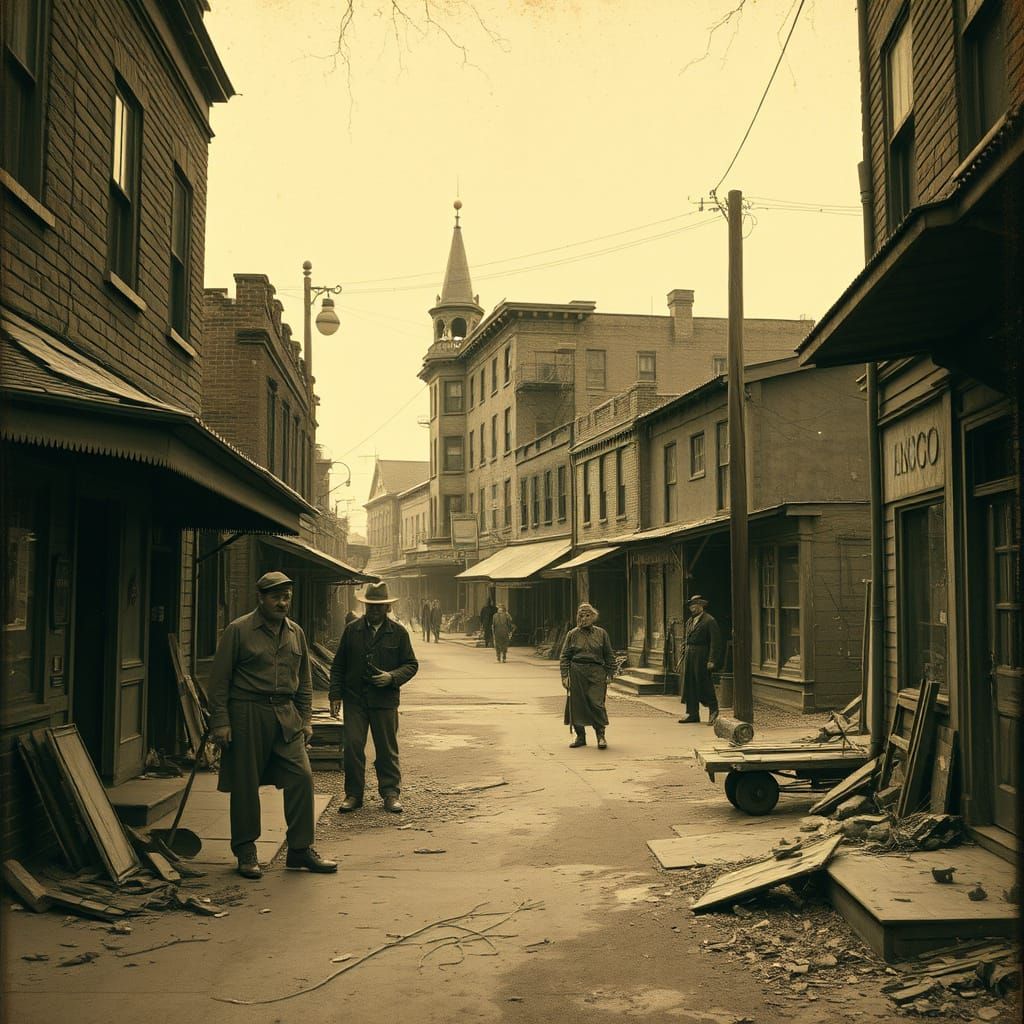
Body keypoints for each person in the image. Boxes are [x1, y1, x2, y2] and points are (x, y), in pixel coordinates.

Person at [207, 571, 337, 880]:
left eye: (287, 597)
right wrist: (221, 722)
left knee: (302, 777)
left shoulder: (296, 633)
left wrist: (305, 719)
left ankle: (300, 849)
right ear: (260, 598)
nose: (282, 603)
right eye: (276, 597)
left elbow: (304, 680)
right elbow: (219, 681)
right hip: (247, 713)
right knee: (245, 784)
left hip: (285, 714)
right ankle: (245, 850)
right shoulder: (238, 631)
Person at [329, 581, 419, 813]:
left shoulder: (398, 633)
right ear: (365, 607)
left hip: (384, 701)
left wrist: (391, 677)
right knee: (353, 747)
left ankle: (390, 794)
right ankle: (354, 795)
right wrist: (335, 695)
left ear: (387, 608)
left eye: (379, 607)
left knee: (386, 748)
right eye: (370, 606)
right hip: (355, 699)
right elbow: (338, 664)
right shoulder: (352, 630)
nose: (374, 610)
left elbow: (410, 664)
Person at [560, 602, 616, 749]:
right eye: (581, 616)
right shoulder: (572, 634)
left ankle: (601, 736)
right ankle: (580, 737)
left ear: (593, 617)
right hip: (577, 671)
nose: (584, 618)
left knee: (597, 703)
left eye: (588, 615)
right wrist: (565, 676)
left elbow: (609, 655)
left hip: (597, 672)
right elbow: (564, 657)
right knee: (577, 705)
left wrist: (610, 673)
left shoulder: (601, 633)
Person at [678, 594, 723, 725]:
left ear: (702, 606)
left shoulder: (709, 621)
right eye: (692, 605)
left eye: (696, 604)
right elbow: (685, 639)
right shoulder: (690, 621)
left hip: (702, 655)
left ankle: (713, 712)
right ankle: (692, 713)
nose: (693, 607)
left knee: (705, 683)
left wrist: (712, 660)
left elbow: (716, 642)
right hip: (690, 655)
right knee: (690, 684)